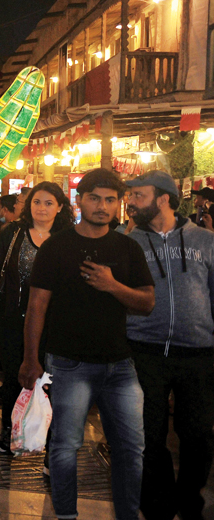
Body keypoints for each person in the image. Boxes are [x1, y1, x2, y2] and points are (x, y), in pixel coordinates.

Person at [19, 168, 154, 520]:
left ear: (119, 204)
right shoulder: (57, 246)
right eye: (95, 198)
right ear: (81, 200)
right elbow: (37, 305)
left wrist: (112, 286)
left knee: (131, 449)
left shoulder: (127, 247)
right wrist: (30, 359)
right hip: (68, 363)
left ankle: (128, 514)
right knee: (65, 447)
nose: (102, 205)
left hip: (120, 365)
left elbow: (146, 302)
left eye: (111, 199)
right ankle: (66, 515)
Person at [124, 170, 214, 520]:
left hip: (198, 353)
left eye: (138, 195)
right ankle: (158, 505)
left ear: (163, 198)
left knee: (197, 436)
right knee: (147, 435)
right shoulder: (129, 242)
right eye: (130, 196)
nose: (131, 201)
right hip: (144, 350)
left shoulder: (205, 241)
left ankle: (190, 501)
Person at [0, 181, 73, 451]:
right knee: (15, 376)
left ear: (60, 207)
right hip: (12, 319)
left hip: (55, 323)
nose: (42, 208)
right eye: (37, 202)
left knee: (52, 380)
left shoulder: (68, 238)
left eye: (49, 203)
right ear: (29, 206)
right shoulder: (13, 233)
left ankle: (50, 438)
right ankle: (10, 430)